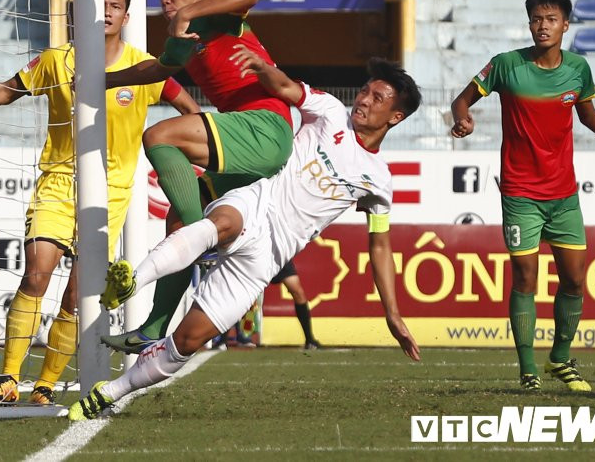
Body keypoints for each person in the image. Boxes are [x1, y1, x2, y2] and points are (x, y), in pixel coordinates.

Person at [71, 53, 423, 420]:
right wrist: (262, 68)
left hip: (268, 256)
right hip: (255, 203)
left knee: (188, 341)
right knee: (221, 223)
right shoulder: (331, 112)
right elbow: (287, 87)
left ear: (395, 116)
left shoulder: (378, 180)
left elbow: (379, 247)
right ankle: (133, 281)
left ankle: (109, 392)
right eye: (364, 91)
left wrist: (392, 315)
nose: (364, 100)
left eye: (377, 98)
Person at [0, 0, 198, 405]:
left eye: (115, 5)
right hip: (59, 181)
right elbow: (6, 92)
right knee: (36, 273)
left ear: (126, 15)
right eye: (99, 5)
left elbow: (188, 109)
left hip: (111, 192)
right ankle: (8, 378)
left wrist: (190, 156)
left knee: (77, 294)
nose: (106, 12)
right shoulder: (56, 60)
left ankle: (46, 384)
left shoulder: (144, 66)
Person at [450, 0, 595, 392]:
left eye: (551, 19)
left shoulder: (578, 68)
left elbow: (587, 115)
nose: (543, 26)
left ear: (565, 25)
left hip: (564, 195)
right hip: (520, 192)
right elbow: (462, 100)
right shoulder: (506, 65)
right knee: (525, 278)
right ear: (529, 24)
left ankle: (560, 358)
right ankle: (528, 370)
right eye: (537, 19)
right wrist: (463, 118)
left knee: (574, 280)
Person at [101, 0, 295, 354]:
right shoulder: (181, 35)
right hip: (246, 141)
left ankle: (201, 241)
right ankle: (152, 329)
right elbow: (158, 69)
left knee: (158, 136)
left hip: (265, 127)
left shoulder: (217, 15)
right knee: (176, 222)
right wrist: (106, 79)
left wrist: (187, 13)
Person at [271, 259, 322, 350]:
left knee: (298, 292)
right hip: (257, 255)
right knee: (251, 292)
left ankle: (309, 339)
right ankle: (245, 336)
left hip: (278, 256)